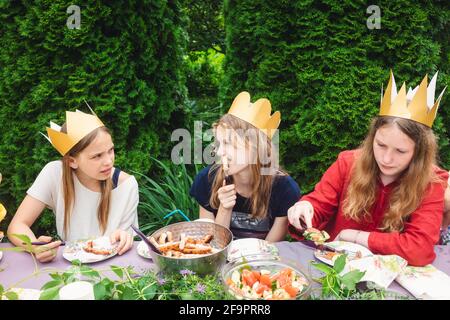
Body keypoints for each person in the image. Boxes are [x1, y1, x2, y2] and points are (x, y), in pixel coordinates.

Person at [287, 71, 447, 266]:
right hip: (336, 268)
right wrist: (305, 208)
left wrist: (355, 236)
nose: (387, 159)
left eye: (400, 151)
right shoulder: (347, 163)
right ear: (372, 139)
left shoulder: (431, 182)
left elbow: (419, 249)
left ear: (419, 153)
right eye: (380, 145)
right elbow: (318, 206)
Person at [7, 109, 139, 262]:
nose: (109, 161)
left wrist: (124, 237)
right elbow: (17, 225)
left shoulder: (126, 185)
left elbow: (125, 242)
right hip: (71, 269)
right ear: (71, 161)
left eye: (111, 150)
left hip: (115, 266)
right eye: (97, 156)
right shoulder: (54, 174)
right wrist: (35, 247)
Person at [190, 92, 300, 241]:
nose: (220, 152)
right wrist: (224, 209)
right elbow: (213, 246)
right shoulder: (207, 180)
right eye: (219, 143)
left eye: (228, 143)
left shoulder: (284, 189)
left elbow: (270, 249)